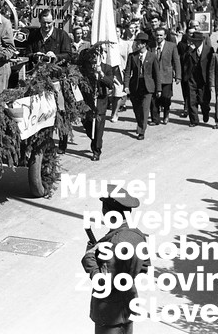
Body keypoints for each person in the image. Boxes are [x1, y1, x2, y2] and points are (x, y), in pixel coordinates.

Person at [82, 186, 150, 334]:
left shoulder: (115, 243)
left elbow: (102, 284)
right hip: (127, 307)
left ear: (108, 212)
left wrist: (90, 258)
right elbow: (144, 267)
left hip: (110, 314)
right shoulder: (137, 235)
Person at [80, 46, 114, 161]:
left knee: (98, 128)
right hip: (88, 102)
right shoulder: (86, 68)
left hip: (100, 102)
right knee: (87, 125)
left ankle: (96, 150)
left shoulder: (107, 68)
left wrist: (101, 74)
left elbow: (110, 84)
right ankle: (94, 141)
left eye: (97, 55)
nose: (94, 58)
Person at [123, 32, 158, 140]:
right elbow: (128, 72)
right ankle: (140, 123)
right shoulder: (132, 56)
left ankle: (141, 130)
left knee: (144, 109)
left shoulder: (152, 56)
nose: (136, 45)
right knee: (137, 109)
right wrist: (126, 86)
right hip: (135, 86)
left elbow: (156, 74)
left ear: (144, 44)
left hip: (147, 86)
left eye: (138, 43)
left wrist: (158, 88)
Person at [181, 32, 214, 127]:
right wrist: (188, 51)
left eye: (196, 41)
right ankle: (194, 120)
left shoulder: (209, 50)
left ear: (201, 41)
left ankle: (206, 112)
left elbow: (211, 65)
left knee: (204, 100)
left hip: (203, 79)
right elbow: (184, 61)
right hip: (192, 78)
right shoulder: (189, 50)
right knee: (192, 100)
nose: (194, 43)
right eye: (193, 41)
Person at [149, 27, 181, 125]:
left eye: (161, 35)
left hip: (166, 76)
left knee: (166, 97)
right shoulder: (151, 46)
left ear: (165, 36)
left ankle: (166, 114)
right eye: (157, 35)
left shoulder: (171, 46)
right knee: (154, 99)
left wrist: (178, 76)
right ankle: (155, 119)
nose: (158, 37)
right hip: (153, 77)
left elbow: (176, 61)